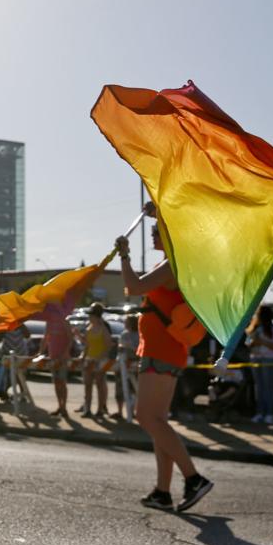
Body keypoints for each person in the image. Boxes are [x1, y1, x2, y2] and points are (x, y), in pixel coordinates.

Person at [116, 215, 212, 514]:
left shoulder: (172, 265)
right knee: (157, 422)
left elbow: (133, 287)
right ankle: (162, 491)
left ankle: (194, 478)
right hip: (163, 349)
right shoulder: (168, 264)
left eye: (158, 231)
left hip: (162, 350)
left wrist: (125, 255)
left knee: (145, 416)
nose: (154, 235)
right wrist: (156, 209)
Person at [245, 306, 273, 425]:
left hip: (269, 359)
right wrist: (253, 342)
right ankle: (259, 413)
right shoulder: (254, 329)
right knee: (259, 387)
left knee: (268, 387)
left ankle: (269, 413)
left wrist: (262, 342)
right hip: (256, 359)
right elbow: (247, 343)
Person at [37, 301, 74, 418]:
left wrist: (65, 353)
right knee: (56, 382)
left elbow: (70, 339)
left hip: (62, 357)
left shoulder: (65, 320)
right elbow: (46, 337)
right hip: (52, 356)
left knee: (62, 382)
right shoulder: (49, 322)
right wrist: (40, 352)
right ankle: (59, 406)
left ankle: (64, 407)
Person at [79, 303, 112, 418]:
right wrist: (83, 358)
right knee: (87, 385)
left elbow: (108, 346)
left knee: (99, 385)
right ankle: (87, 409)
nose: (89, 317)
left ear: (96, 316)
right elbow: (87, 345)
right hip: (89, 359)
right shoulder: (89, 328)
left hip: (99, 360)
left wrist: (100, 358)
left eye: (91, 315)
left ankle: (100, 409)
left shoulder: (103, 328)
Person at [114, 313, 141, 421]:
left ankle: (133, 411)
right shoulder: (124, 334)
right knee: (121, 389)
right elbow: (120, 349)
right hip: (123, 364)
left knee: (134, 390)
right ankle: (121, 411)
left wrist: (130, 347)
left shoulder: (137, 335)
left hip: (133, 364)